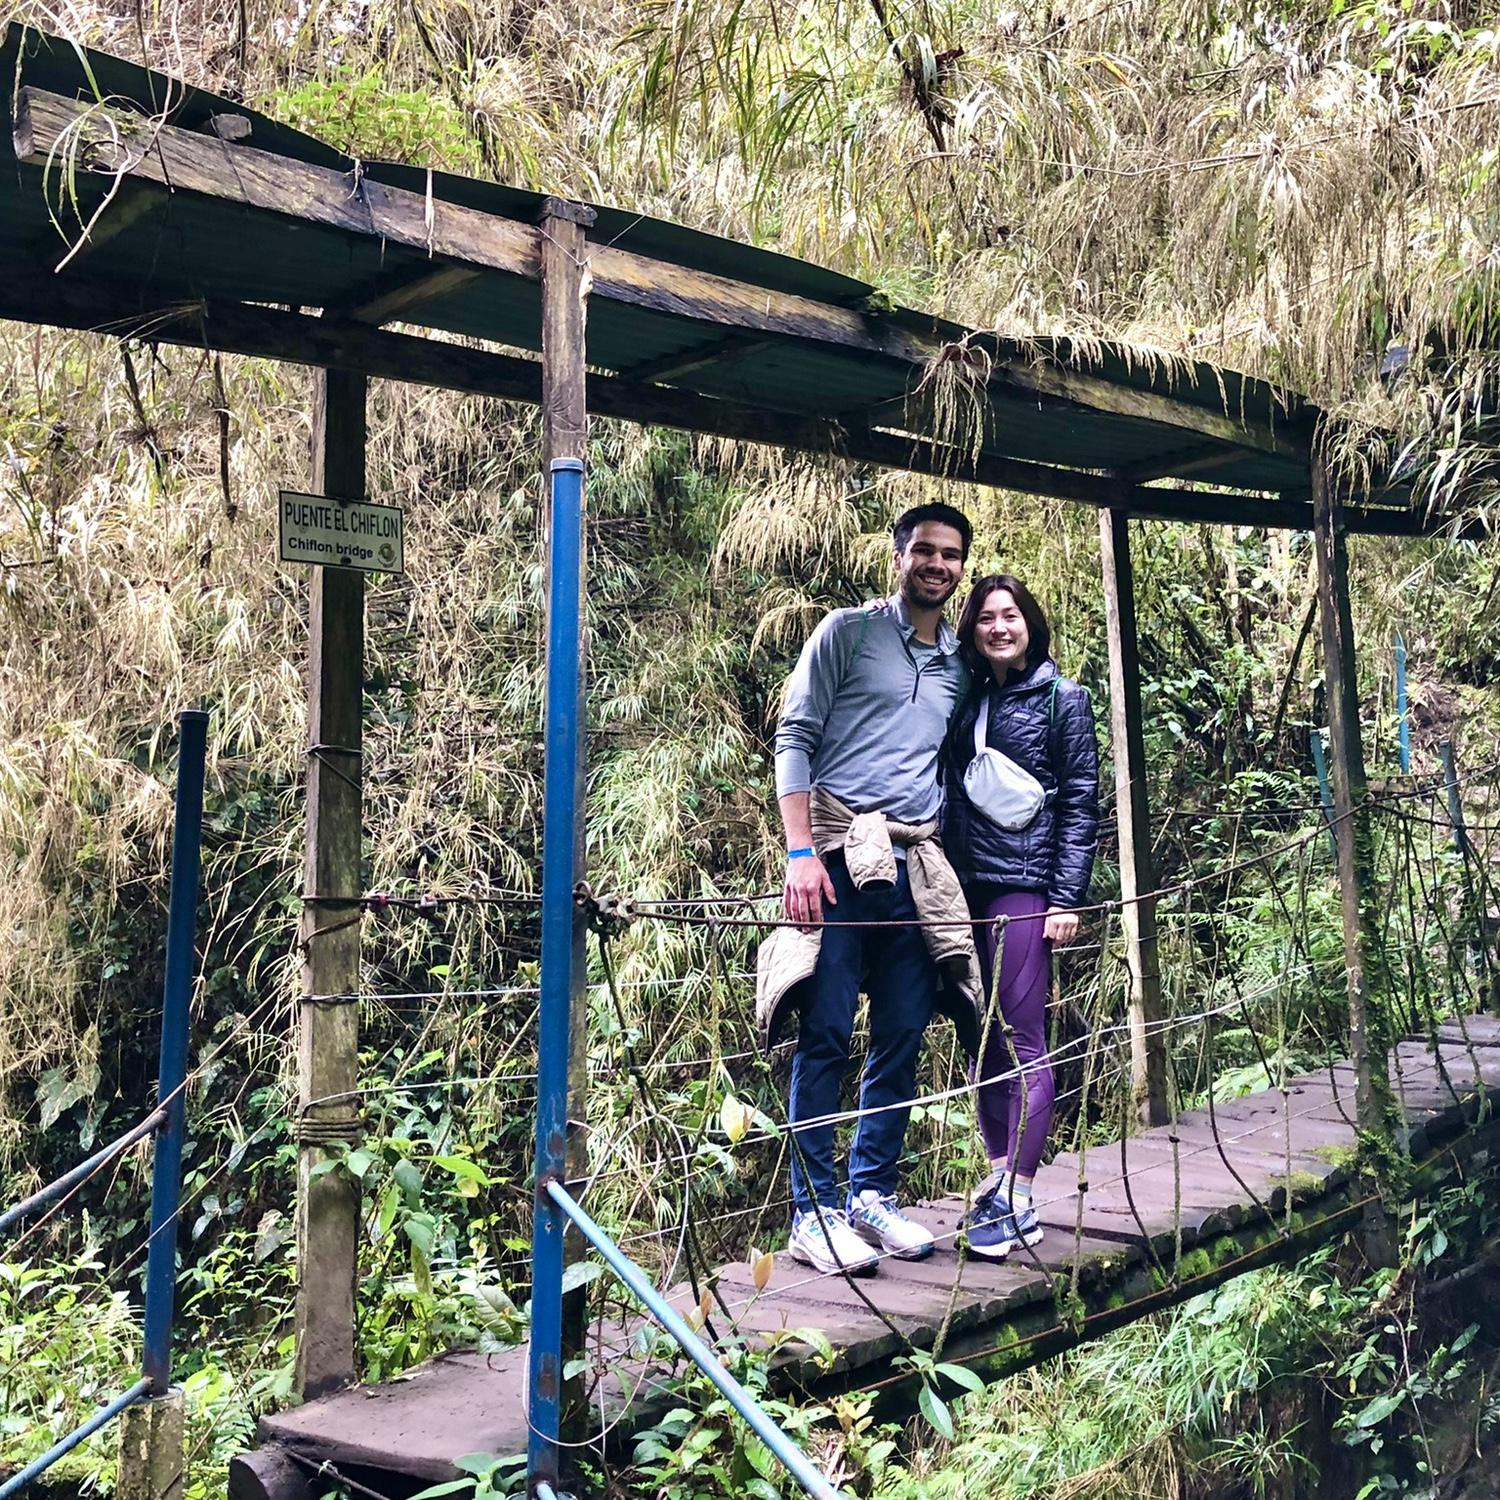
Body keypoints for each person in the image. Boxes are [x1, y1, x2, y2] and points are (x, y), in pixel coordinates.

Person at [756, 502, 982, 1277]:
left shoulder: (959, 662)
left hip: (915, 865)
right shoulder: (846, 633)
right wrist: (798, 855)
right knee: (823, 1030)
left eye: (951, 555)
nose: (938, 565)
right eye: (925, 550)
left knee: (903, 1029)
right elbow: (795, 735)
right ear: (898, 557)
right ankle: (811, 1212)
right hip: (838, 856)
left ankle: (870, 1194)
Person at [942, 574, 1100, 1259]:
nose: (999, 627)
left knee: (1022, 1036)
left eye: (1010, 616)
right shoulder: (966, 697)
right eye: (985, 618)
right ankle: (1001, 1182)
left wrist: (1066, 898)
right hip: (961, 886)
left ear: (1030, 623)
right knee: (983, 1037)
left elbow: (1081, 801)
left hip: (1025, 886)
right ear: (972, 630)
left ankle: (1019, 1191)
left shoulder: (1065, 700)